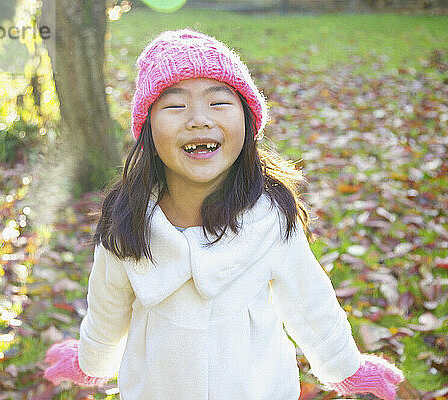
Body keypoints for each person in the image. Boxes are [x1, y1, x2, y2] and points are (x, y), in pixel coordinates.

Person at [43, 28, 404, 400]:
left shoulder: (270, 217)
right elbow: (107, 309)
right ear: (148, 128)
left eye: (219, 103)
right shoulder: (127, 221)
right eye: (174, 105)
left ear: (248, 123)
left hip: (256, 388)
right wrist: (90, 363)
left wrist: (346, 368)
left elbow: (309, 302)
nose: (199, 119)